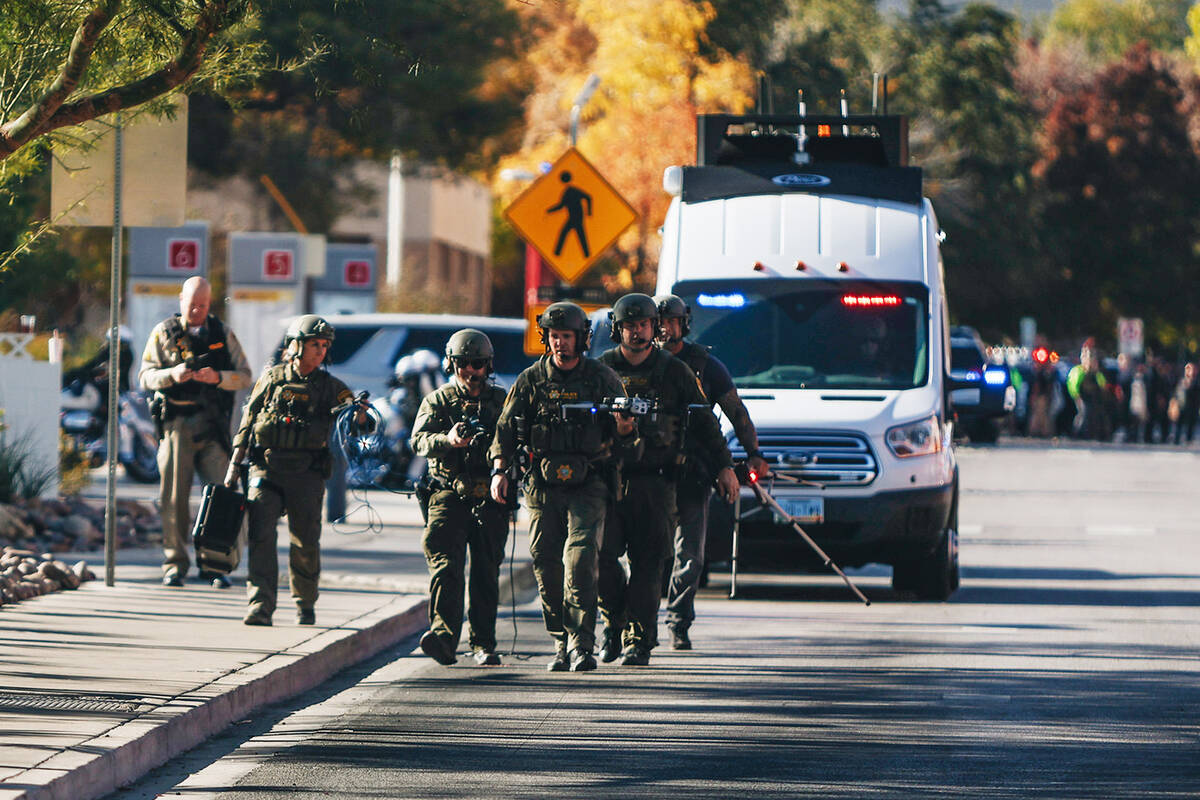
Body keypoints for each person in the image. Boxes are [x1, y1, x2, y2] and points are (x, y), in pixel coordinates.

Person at [488, 301, 636, 672]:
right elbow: (505, 431)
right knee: (545, 562)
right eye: (554, 337)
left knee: (581, 559)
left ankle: (581, 644)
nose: (559, 344)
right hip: (541, 485)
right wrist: (499, 470)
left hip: (590, 483)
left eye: (566, 337)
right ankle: (560, 640)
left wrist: (624, 426)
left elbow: (630, 443)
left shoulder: (602, 379)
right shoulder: (530, 380)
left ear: (581, 339)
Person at [596, 293, 738, 666]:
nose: (638, 332)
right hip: (609, 482)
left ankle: (639, 640)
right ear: (618, 329)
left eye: (644, 325)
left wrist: (726, 466)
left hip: (656, 483)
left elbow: (706, 422)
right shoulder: (600, 371)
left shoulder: (676, 372)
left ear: (653, 327)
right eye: (630, 326)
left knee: (648, 563)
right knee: (600, 558)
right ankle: (613, 622)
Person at [224, 314, 371, 626]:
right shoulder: (272, 378)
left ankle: (305, 603)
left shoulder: (332, 387)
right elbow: (248, 422)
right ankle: (260, 605)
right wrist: (235, 466)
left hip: (306, 474)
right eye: (313, 344)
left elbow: (358, 423)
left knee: (305, 541)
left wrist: (359, 415)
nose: (319, 351)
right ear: (295, 346)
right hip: (266, 469)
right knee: (261, 537)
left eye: (323, 346)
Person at [654, 294, 770, 651]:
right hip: (646, 472)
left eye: (671, 321)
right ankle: (634, 622)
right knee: (644, 552)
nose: (663, 329)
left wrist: (752, 454)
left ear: (684, 323)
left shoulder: (705, 365)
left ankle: (678, 620)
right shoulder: (637, 362)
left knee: (691, 555)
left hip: (693, 470)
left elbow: (737, 411)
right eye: (657, 321)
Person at [139, 277, 252, 588]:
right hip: (176, 425)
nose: (197, 311)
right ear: (180, 301)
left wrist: (217, 377)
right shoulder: (163, 333)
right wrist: (171, 375)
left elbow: (244, 376)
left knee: (223, 493)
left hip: (212, 426)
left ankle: (215, 563)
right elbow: (145, 376)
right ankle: (175, 563)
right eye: (191, 305)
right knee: (173, 497)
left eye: (202, 305)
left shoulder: (222, 333)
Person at [410, 329, 510, 666]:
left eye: (478, 364)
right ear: (452, 364)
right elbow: (419, 441)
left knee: (486, 571)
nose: (471, 371)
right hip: (446, 492)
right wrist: (447, 440)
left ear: (488, 364)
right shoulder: (437, 401)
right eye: (464, 364)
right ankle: (443, 638)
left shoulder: (501, 401)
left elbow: (516, 438)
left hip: (490, 496)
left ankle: (483, 644)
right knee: (445, 567)